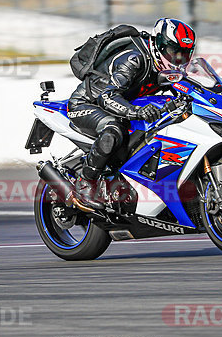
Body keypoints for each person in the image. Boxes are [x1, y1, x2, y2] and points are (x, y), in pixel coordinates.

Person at [66, 18, 197, 210]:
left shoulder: (164, 65)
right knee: (113, 130)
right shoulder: (133, 59)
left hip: (121, 106)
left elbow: (189, 89)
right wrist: (137, 111)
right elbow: (106, 96)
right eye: (173, 52)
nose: (177, 59)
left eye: (183, 55)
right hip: (87, 104)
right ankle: (84, 185)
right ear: (160, 46)